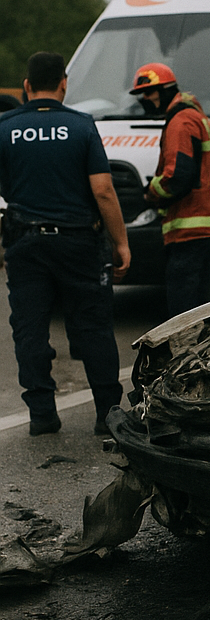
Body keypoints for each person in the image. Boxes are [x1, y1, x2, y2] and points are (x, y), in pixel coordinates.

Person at [0, 51, 130, 436]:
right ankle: (108, 414)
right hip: (78, 243)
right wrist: (120, 242)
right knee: (92, 327)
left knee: (30, 329)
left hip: (25, 243)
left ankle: (42, 414)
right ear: (64, 83)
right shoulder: (81, 126)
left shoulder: (4, 127)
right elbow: (103, 191)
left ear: (26, 86)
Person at [131, 62, 210, 316]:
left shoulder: (180, 121)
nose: (145, 99)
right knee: (204, 312)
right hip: (205, 231)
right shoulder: (193, 116)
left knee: (184, 314)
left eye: (149, 92)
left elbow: (178, 177)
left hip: (191, 235)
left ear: (166, 89)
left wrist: (149, 193)